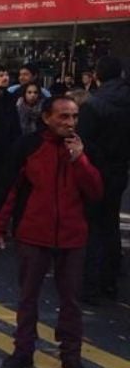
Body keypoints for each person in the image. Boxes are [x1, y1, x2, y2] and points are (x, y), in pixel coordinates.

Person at [0, 96, 103, 368]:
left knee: (71, 301)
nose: (70, 122)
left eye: (74, 116)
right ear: (46, 118)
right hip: (33, 234)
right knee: (28, 296)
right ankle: (23, 350)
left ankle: (71, 356)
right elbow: (10, 187)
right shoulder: (28, 146)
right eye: (63, 116)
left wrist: (80, 160)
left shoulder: (85, 148)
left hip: (72, 236)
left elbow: (96, 191)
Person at [78, 56, 130, 304]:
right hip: (119, 169)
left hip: (97, 170)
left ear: (97, 75)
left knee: (93, 227)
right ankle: (110, 281)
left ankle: (91, 285)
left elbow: (84, 141)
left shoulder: (93, 104)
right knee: (110, 223)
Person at [0, 64, 21, 174]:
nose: (5, 78)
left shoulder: (10, 97)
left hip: (9, 143)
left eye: (6, 75)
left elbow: (15, 121)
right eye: (0, 75)